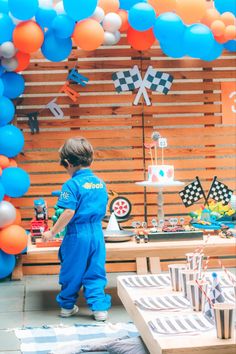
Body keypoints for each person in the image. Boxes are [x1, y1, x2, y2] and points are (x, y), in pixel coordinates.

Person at [42, 137, 111, 321]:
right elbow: (102, 209)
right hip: (97, 234)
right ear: (91, 159)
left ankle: (67, 306)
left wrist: (52, 232)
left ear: (67, 163)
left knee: (72, 270)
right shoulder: (100, 183)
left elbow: (68, 212)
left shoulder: (70, 185)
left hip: (77, 235)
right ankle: (99, 310)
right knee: (95, 270)